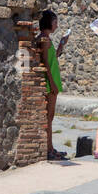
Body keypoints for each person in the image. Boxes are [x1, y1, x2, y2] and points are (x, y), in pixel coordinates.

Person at [37, 10, 69, 160]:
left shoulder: (46, 39)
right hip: (50, 83)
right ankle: (49, 149)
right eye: (55, 22)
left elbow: (52, 58)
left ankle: (51, 148)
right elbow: (45, 64)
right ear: (48, 22)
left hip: (52, 81)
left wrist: (61, 46)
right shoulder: (44, 40)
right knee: (49, 117)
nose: (56, 25)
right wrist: (52, 84)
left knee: (50, 117)